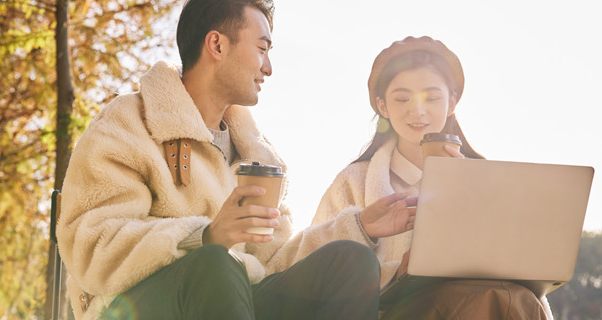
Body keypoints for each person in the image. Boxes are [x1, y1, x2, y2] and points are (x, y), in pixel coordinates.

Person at [56, 0, 380, 319]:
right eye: (262, 48)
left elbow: (274, 262)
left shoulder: (258, 155)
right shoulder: (129, 122)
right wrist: (205, 236)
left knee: (352, 260)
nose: (268, 68)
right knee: (215, 262)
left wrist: (359, 226)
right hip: (132, 308)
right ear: (217, 45)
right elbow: (91, 247)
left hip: (234, 300)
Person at [287, 36, 555, 319]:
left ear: (452, 102)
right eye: (402, 98)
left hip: (480, 304)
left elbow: (515, 267)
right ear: (383, 106)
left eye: (432, 97)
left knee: (512, 298)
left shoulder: (486, 179)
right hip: (392, 311)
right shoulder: (353, 183)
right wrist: (395, 273)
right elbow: (315, 272)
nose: (417, 110)